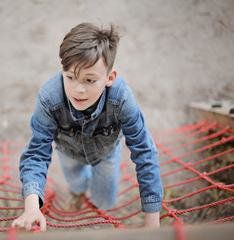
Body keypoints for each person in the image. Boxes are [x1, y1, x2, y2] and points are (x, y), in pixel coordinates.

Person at [11, 22, 163, 232]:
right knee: (75, 179)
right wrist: (31, 208)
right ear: (62, 70)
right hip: (69, 150)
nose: (78, 89)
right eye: (70, 77)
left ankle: (98, 211)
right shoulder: (49, 98)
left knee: (104, 197)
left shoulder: (121, 99)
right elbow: (37, 153)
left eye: (90, 80)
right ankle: (78, 192)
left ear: (110, 78)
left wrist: (152, 223)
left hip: (106, 152)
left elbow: (145, 151)